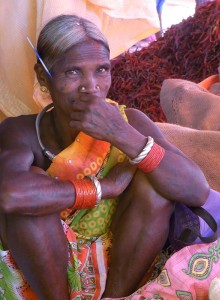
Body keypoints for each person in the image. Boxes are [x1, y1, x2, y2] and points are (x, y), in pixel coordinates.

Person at [0, 14, 209, 300]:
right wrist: (103, 188)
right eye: (73, 72)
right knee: (31, 193)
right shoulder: (20, 131)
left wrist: (123, 135)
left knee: (156, 182)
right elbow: (10, 196)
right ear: (42, 76)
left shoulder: (128, 121)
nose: (91, 86)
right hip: (44, 276)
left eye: (101, 70)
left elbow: (197, 190)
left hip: (122, 263)